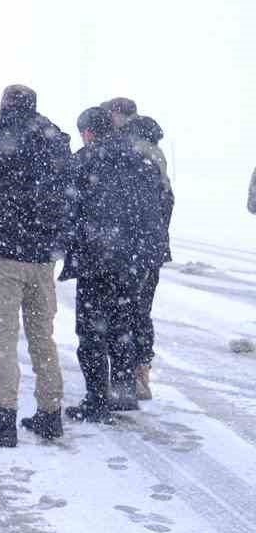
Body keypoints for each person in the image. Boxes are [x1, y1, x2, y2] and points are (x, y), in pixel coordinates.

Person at [0, 84, 72, 447]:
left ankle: (5, 419)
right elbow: (68, 196)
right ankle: (50, 412)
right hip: (42, 258)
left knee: (3, 340)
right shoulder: (56, 141)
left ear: (5, 106)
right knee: (43, 338)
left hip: (4, 255)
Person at [60, 107, 168, 424]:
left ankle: (97, 400)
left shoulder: (83, 160)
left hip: (98, 259)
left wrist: (72, 245)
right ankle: (124, 391)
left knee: (92, 332)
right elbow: (160, 204)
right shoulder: (143, 159)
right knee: (123, 325)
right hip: (135, 260)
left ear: (87, 132)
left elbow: (69, 208)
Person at [106, 96, 174, 403]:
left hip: (132, 245)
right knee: (140, 310)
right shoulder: (152, 147)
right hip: (150, 244)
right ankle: (140, 372)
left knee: (126, 310)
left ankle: (133, 376)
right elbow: (166, 199)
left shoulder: (131, 148)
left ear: (118, 115)